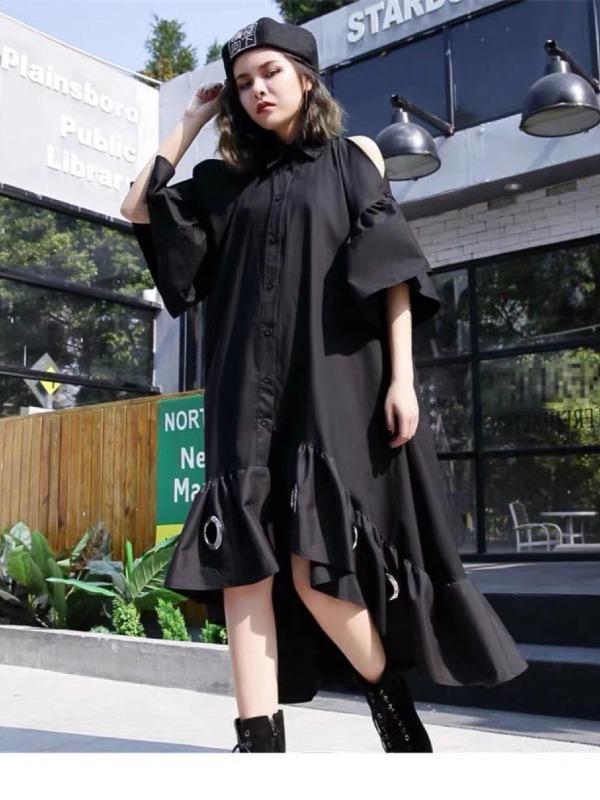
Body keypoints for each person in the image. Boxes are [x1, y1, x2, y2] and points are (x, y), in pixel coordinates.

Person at [121, 16, 528, 754]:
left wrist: (402, 378)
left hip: (328, 385)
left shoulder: (350, 158)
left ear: (306, 78)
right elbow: (137, 208)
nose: (256, 90)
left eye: (270, 73)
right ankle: (258, 745)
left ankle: (394, 713)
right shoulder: (222, 184)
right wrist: (189, 122)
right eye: (243, 82)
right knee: (242, 567)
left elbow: (393, 270)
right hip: (241, 393)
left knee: (316, 572)